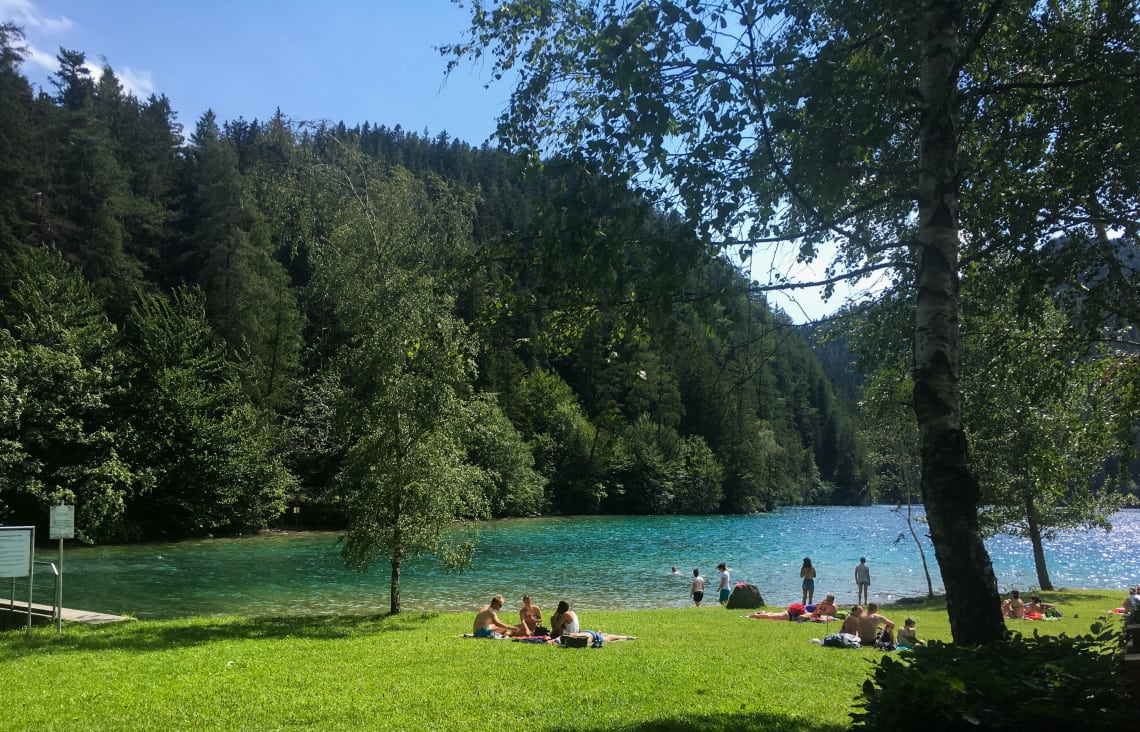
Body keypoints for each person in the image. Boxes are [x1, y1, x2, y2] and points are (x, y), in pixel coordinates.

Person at [550, 599, 634, 642]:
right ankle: (624, 637)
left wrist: (555, 617)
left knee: (606, 639)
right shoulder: (571, 613)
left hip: (576, 634)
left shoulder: (566, 615)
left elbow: (556, 628)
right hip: (582, 632)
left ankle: (625, 637)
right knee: (604, 637)